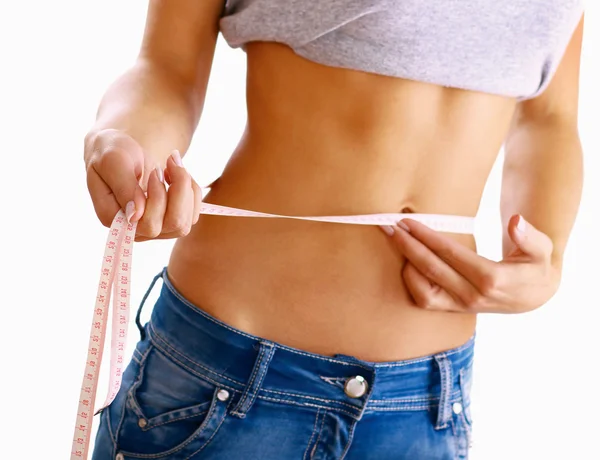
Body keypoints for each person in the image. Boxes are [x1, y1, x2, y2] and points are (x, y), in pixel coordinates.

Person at [85, 1, 585, 459]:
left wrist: (547, 257)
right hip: (227, 381)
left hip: (425, 406)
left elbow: (549, 118)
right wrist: (127, 144)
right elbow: (166, 66)